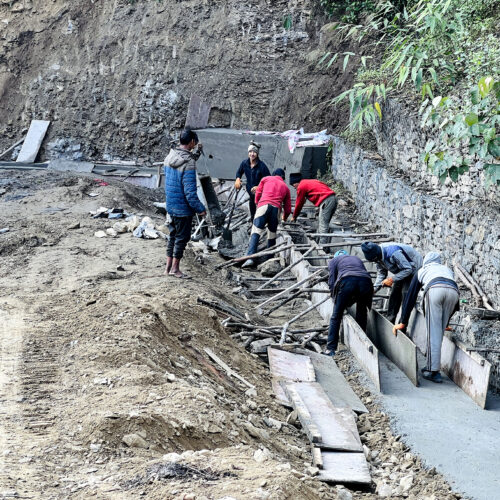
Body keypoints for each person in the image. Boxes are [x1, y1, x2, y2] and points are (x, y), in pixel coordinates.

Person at [393, 252, 459, 383]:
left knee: (433, 333)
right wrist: (446, 321)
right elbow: (455, 303)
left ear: (426, 261)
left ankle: (432, 371)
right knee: (438, 333)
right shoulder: (447, 270)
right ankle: (433, 367)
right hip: (454, 292)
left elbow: (410, 297)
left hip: (434, 289)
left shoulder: (422, 270)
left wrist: (403, 322)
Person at [164, 129, 206, 279]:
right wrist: (200, 209)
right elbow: (190, 193)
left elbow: (187, 155)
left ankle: (168, 268)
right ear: (192, 142)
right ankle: (175, 269)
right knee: (182, 237)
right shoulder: (188, 163)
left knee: (173, 236)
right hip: (183, 208)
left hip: (171, 204)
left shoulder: (170, 156)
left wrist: (198, 152)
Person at [325, 250, 374, 356]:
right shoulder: (357, 259)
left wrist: (335, 300)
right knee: (362, 312)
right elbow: (360, 277)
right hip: (366, 282)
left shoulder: (333, 261)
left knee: (336, 316)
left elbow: (332, 281)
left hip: (347, 281)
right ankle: (361, 345)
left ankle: (330, 349)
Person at [361, 241, 423, 324]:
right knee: (395, 293)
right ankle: (390, 319)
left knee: (406, 294)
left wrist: (391, 279)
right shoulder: (377, 258)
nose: (376, 262)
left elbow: (408, 269)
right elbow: (381, 273)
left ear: (376, 256)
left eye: (375, 260)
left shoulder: (393, 252)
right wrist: (375, 289)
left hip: (414, 268)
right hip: (402, 269)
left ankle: (402, 324)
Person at [242, 168, 291, 268]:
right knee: (272, 234)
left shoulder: (266, 179)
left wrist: (257, 203)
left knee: (255, 231)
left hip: (263, 206)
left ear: (274, 174)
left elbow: (258, 193)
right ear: (283, 177)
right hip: (276, 209)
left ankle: (250, 258)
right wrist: (284, 218)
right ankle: (269, 259)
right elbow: (288, 208)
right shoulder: (286, 187)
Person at [289, 173, 337, 247]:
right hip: (333, 198)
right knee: (323, 223)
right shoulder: (310, 182)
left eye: (293, 185)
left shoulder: (301, 186)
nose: (294, 187)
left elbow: (299, 203)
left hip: (326, 201)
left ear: (296, 182)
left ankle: (322, 247)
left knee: (323, 225)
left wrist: (294, 216)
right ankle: (319, 242)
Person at [235, 142, 271, 221]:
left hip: (260, 194)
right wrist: (238, 178)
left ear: (257, 154)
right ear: (248, 153)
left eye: (254, 152)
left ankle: (261, 222)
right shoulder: (244, 163)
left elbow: (269, 180)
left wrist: (259, 187)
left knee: (260, 208)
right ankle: (253, 221)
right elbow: (239, 172)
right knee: (252, 206)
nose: (252, 154)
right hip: (251, 192)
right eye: (250, 152)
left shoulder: (262, 166)